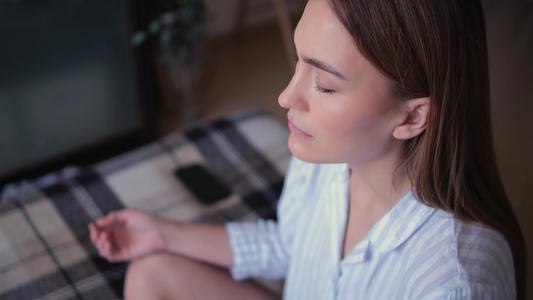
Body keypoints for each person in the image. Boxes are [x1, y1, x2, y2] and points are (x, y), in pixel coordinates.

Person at [89, 0, 527, 299]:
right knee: (152, 270)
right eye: (299, 60)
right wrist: (164, 233)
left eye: (325, 84)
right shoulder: (329, 158)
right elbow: (292, 245)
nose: (286, 97)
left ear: (411, 117)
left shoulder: (452, 282)